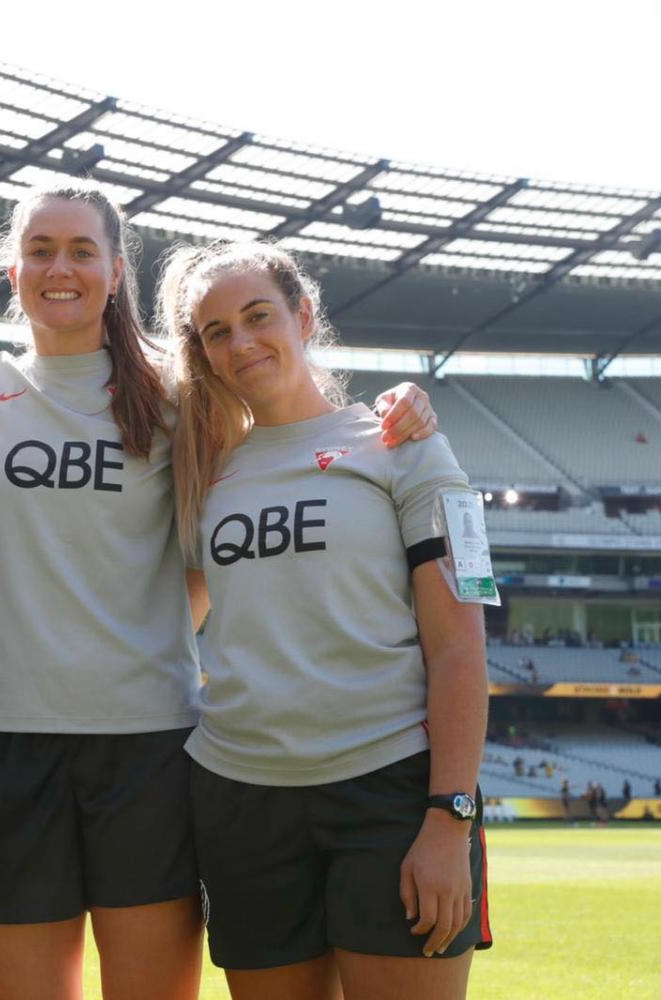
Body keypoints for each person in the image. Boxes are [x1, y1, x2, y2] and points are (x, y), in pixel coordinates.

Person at [0, 182, 438, 1000]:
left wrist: (403, 408)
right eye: (39, 250)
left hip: (149, 748)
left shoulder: (181, 395)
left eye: (79, 251)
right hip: (3, 746)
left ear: (112, 270)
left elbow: (244, 510)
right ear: (11, 268)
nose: (57, 268)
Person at [161, 239, 492, 1000]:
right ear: (204, 355)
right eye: (216, 332)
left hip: (390, 794)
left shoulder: (405, 448)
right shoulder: (199, 477)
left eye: (256, 317)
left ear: (303, 315)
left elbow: (460, 646)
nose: (240, 342)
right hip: (239, 799)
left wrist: (450, 818)